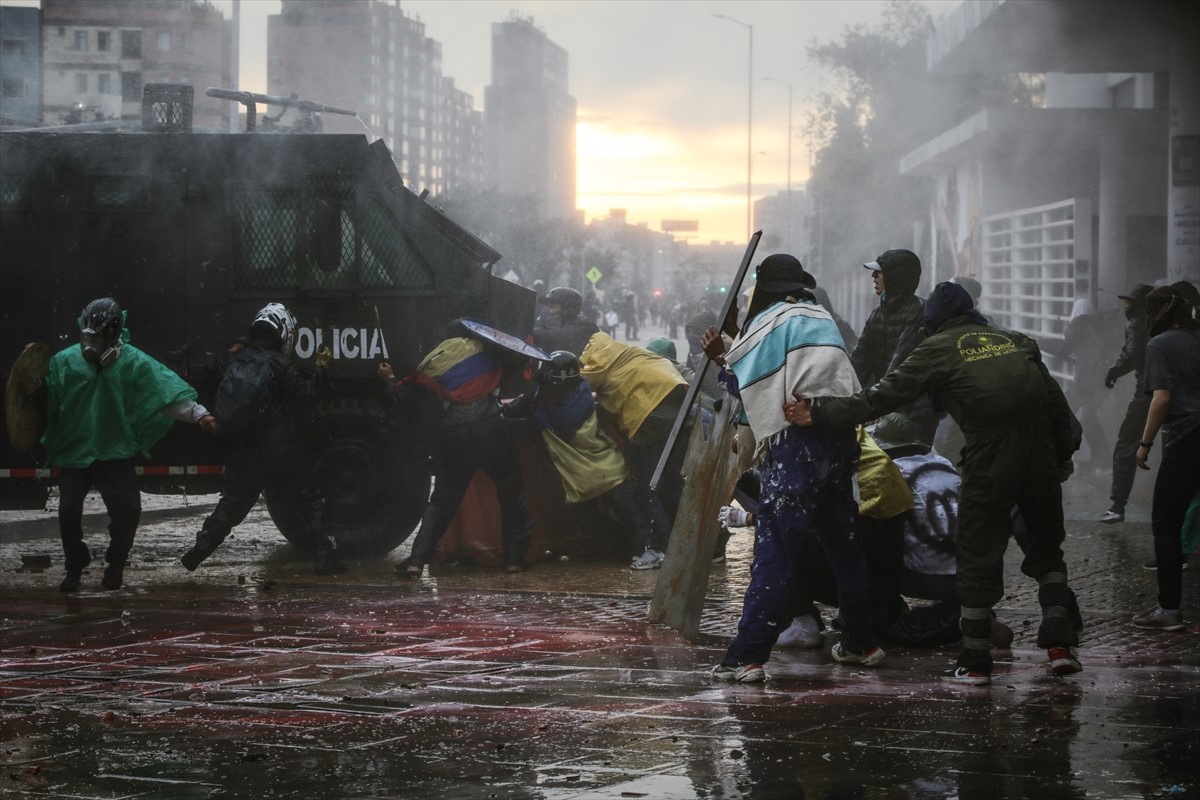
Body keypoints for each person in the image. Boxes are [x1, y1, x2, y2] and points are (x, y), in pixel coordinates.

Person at [788, 281, 1083, 685]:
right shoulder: (1016, 340)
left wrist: (819, 413)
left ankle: (975, 661)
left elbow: (881, 396)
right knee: (1047, 551)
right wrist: (1061, 457)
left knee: (978, 558)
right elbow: (1057, 408)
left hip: (990, 457)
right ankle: (1059, 645)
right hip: (1041, 456)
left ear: (932, 322)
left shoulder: (936, 348)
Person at [701, 253, 884, 683]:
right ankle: (861, 642)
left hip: (796, 449)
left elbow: (748, 387)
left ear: (763, 288)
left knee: (775, 553)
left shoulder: (774, 320)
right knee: (846, 552)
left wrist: (719, 358)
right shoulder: (819, 316)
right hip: (838, 443)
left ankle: (746, 656)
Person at [34, 297, 217, 592]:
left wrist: (199, 414)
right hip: (75, 452)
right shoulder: (64, 362)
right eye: (86, 336)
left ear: (114, 335)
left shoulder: (132, 363)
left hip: (114, 452)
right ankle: (74, 565)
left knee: (129, 511)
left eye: (97, 337)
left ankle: (116, 563)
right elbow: (43, 402)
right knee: (68, 511)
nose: (89, 344)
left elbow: (164, 392)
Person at [181, 303, 345, 576]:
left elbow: (223, 364)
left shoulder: (235, 361)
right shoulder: (280, 363)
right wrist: (320, 368)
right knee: (308, 499)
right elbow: (305, 397)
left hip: (243, 451)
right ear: (284, 334)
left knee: (232, 504)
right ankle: (326, 556)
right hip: (281, 449)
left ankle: (200, 549)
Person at [380, 322, 533, 576]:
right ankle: (514, 560)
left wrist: (389, 380)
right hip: (491, 432)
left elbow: (409, 401)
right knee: (511, 492)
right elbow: (517, 362)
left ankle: (417, 561)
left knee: (440, 502)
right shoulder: (487, 353)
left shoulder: (433, 362)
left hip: (455, 440)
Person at [501, 351, 662, 569]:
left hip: (602, 468)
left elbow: (532, 420)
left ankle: (649, 548)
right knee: (593, 518)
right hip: (584, 474)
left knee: (625, 510)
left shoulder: (563, 408)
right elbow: (520, 410)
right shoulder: (550, 395)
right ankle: (624, 546)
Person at [1131, 286, 1199, 631]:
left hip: (1188, 439)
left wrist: (1144, 444)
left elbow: (1161, 399)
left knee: (1166, 522)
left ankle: (1169, 609)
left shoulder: (1160, 344)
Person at [850, 249, 935, 444]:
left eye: (878, 272)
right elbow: (859, 362)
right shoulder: (877, 314)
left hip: (915, 413)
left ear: (895, 277)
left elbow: (901, 366)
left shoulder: (920, 313)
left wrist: (879, 406)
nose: (873, 276)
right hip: (887, 405)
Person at [1101, 284, 1154, 523]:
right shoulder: (1164, 322)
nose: (1126, 307)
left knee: (1126, 445)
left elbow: (1132, 354)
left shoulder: (1137, 323)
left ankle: (1117, 505)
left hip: (1147, 391)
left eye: (1130, 302)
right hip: (1172, 391)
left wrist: (1113, 371)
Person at [533, 286, 599, 359]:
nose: (548, 307)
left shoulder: (584, 327)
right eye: (548, 304)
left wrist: (532, 332)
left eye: (553, 303)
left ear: (567, 307)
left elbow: (560, 337)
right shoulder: (556, 324)